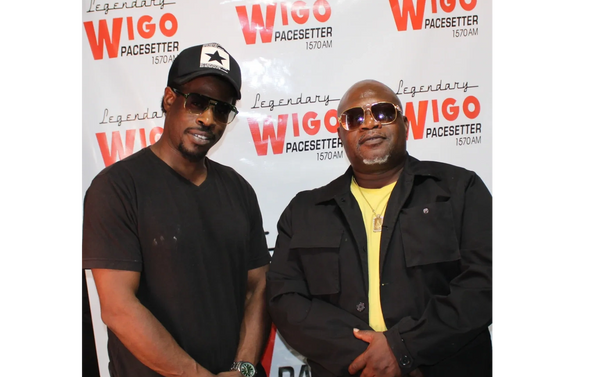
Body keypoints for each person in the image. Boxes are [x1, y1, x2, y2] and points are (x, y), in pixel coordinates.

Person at [266, 79, 494, 377]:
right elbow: (285, 300)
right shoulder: (305, 211)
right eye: (354, 118)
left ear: (406, 125)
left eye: (383, 112)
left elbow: (486, 281)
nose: (369, 123)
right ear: (340, 134)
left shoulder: (459, 190)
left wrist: (404, 348)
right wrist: (370, 357)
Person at [79, 43, 272, 377]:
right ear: (169, 99)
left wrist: (243, 368)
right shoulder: (117, 188)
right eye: (196, 102)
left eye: (221, 109)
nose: (208, 119)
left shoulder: (238, 190)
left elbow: (259, 286)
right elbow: (118, 307)